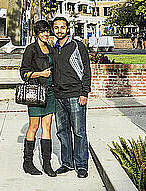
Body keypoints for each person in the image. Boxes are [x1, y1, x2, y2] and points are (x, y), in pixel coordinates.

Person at [51, 16, 92, 178]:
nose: (59, 30)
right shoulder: (53, 48)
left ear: (67, 28)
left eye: (62, 27)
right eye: (56, 28)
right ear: (53, 30)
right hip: (58, 96)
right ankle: (67, 163)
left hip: (76, 95)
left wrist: (84, 92)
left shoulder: (77, 45)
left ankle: (81, 165)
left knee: (79, 132)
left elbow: (86, 70)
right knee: (62, 132)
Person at [19, 20, 57, 177]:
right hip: (36, 93)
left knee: (47, 127)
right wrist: (41, 74)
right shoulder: (31, 50)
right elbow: (24, 73)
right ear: (37, 33)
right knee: (34, 127)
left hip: (50, 93)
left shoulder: (51, 49)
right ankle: (28, 163)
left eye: (47, 31)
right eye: (42, 32)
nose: (46, 34)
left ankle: (47, 164)